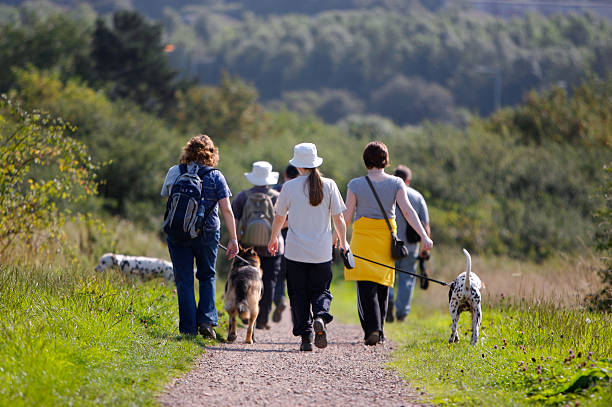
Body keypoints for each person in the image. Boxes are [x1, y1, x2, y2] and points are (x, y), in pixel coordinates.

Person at [342, 141, 433, 346]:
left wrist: (337, 239)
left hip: (363, 241)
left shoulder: (355, 184)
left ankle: (372, 329)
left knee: (365, 286)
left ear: (365, 160)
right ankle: (380, 331)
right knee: (383, 284)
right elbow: (409, 212)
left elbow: (347, 216)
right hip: (386, 240)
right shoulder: (396, 183)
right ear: (386, 160)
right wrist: (424, 237)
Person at [268, 143, 349, 352]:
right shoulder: (329, 185)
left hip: (295, 252)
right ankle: (320, 317)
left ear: (297, 165)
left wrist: (273, 238)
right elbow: (339, 219)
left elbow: (279, 218)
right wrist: (343, 241)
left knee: (298, 294)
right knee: (321, 290)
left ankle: (306, 337)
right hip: (321, 252)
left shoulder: (289, 187)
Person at [161, 134, 238, 338]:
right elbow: (227, 210)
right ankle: (206, 322)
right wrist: (234, 239)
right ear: (212, 154)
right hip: (208, 232)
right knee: (207, 275)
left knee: (184, 280)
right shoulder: (216, 176)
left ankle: (188, 329)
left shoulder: (175, 172)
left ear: (187, 151)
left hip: (178, 232)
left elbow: (170, 202)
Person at [232, 161, 282, 330]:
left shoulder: (242, 196)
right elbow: (285, 221)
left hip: (248, 249)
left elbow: (235, 219)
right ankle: (262, 320)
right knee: (269, 283)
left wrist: (236, 239)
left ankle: (243, 310)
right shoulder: (277, 196)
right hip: (272, 248)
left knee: (244, 281)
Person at [387, 165, 431, 322]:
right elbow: (425, 224)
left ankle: (389, 299)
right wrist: (425, 247)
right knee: (407, 278)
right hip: (411, 246)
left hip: (389, 244)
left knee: (388, 275)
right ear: (408, 180)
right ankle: (402, 313)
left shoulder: (388, 193)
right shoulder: (417, 197)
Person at [271, 164, 299, 323]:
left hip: (277, 238)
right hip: (295, 238)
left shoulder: (275, 189)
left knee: (279, 275)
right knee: (295, 277)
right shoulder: (299, 190)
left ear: (284, 174)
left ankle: (280, 299)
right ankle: (297, 313)